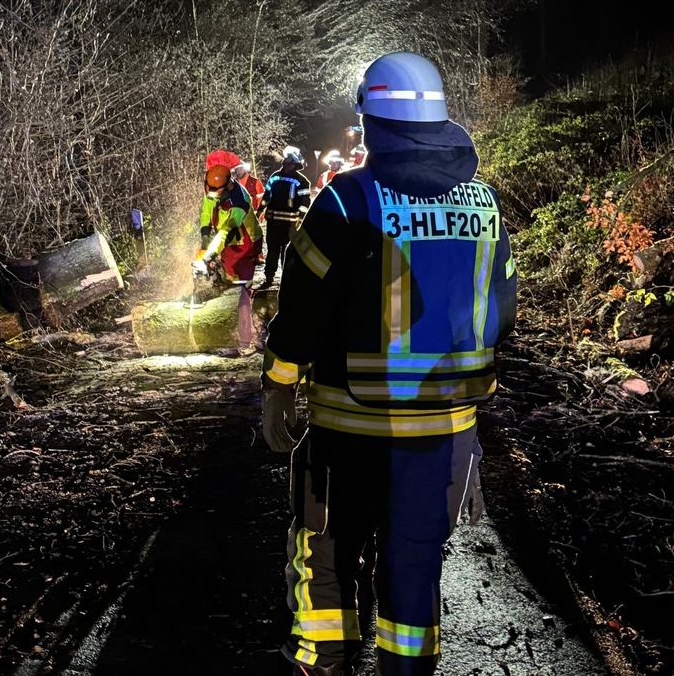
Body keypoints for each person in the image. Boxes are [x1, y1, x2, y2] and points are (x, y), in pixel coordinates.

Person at [261, 52, 517, 676]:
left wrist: (278, 384)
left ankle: (326, 667)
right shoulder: (485, 206)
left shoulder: (347, 201)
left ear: (371, 122)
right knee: (413, 568)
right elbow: (502, 307)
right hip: (447, 438)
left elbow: (302, 310)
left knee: (324, 557)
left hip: (351, 431)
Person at [197, 163, 263, 350]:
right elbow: (207, 210)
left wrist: (209, 254)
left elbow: (227, 230)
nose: (213, 197)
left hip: (245, 243)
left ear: (228, 186)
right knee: (226, 283)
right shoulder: (213, 187)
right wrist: (204, 235)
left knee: (241, 289)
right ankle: (224, 330)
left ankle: (244, 340)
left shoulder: (239, 200)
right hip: (225, 243)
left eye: (217, 194)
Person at [256, 145, 311, 288]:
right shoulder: (296, 179)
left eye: (289, 163)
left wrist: (301, 217)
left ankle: (284, 280)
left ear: (293, 164)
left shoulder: (278, 177)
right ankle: (271, 278)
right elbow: (267, 196)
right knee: (275, 251)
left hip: (287, 224)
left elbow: (305, 201)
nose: (287, 165)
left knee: (285, 252)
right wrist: (260, 209)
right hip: (279, 223)